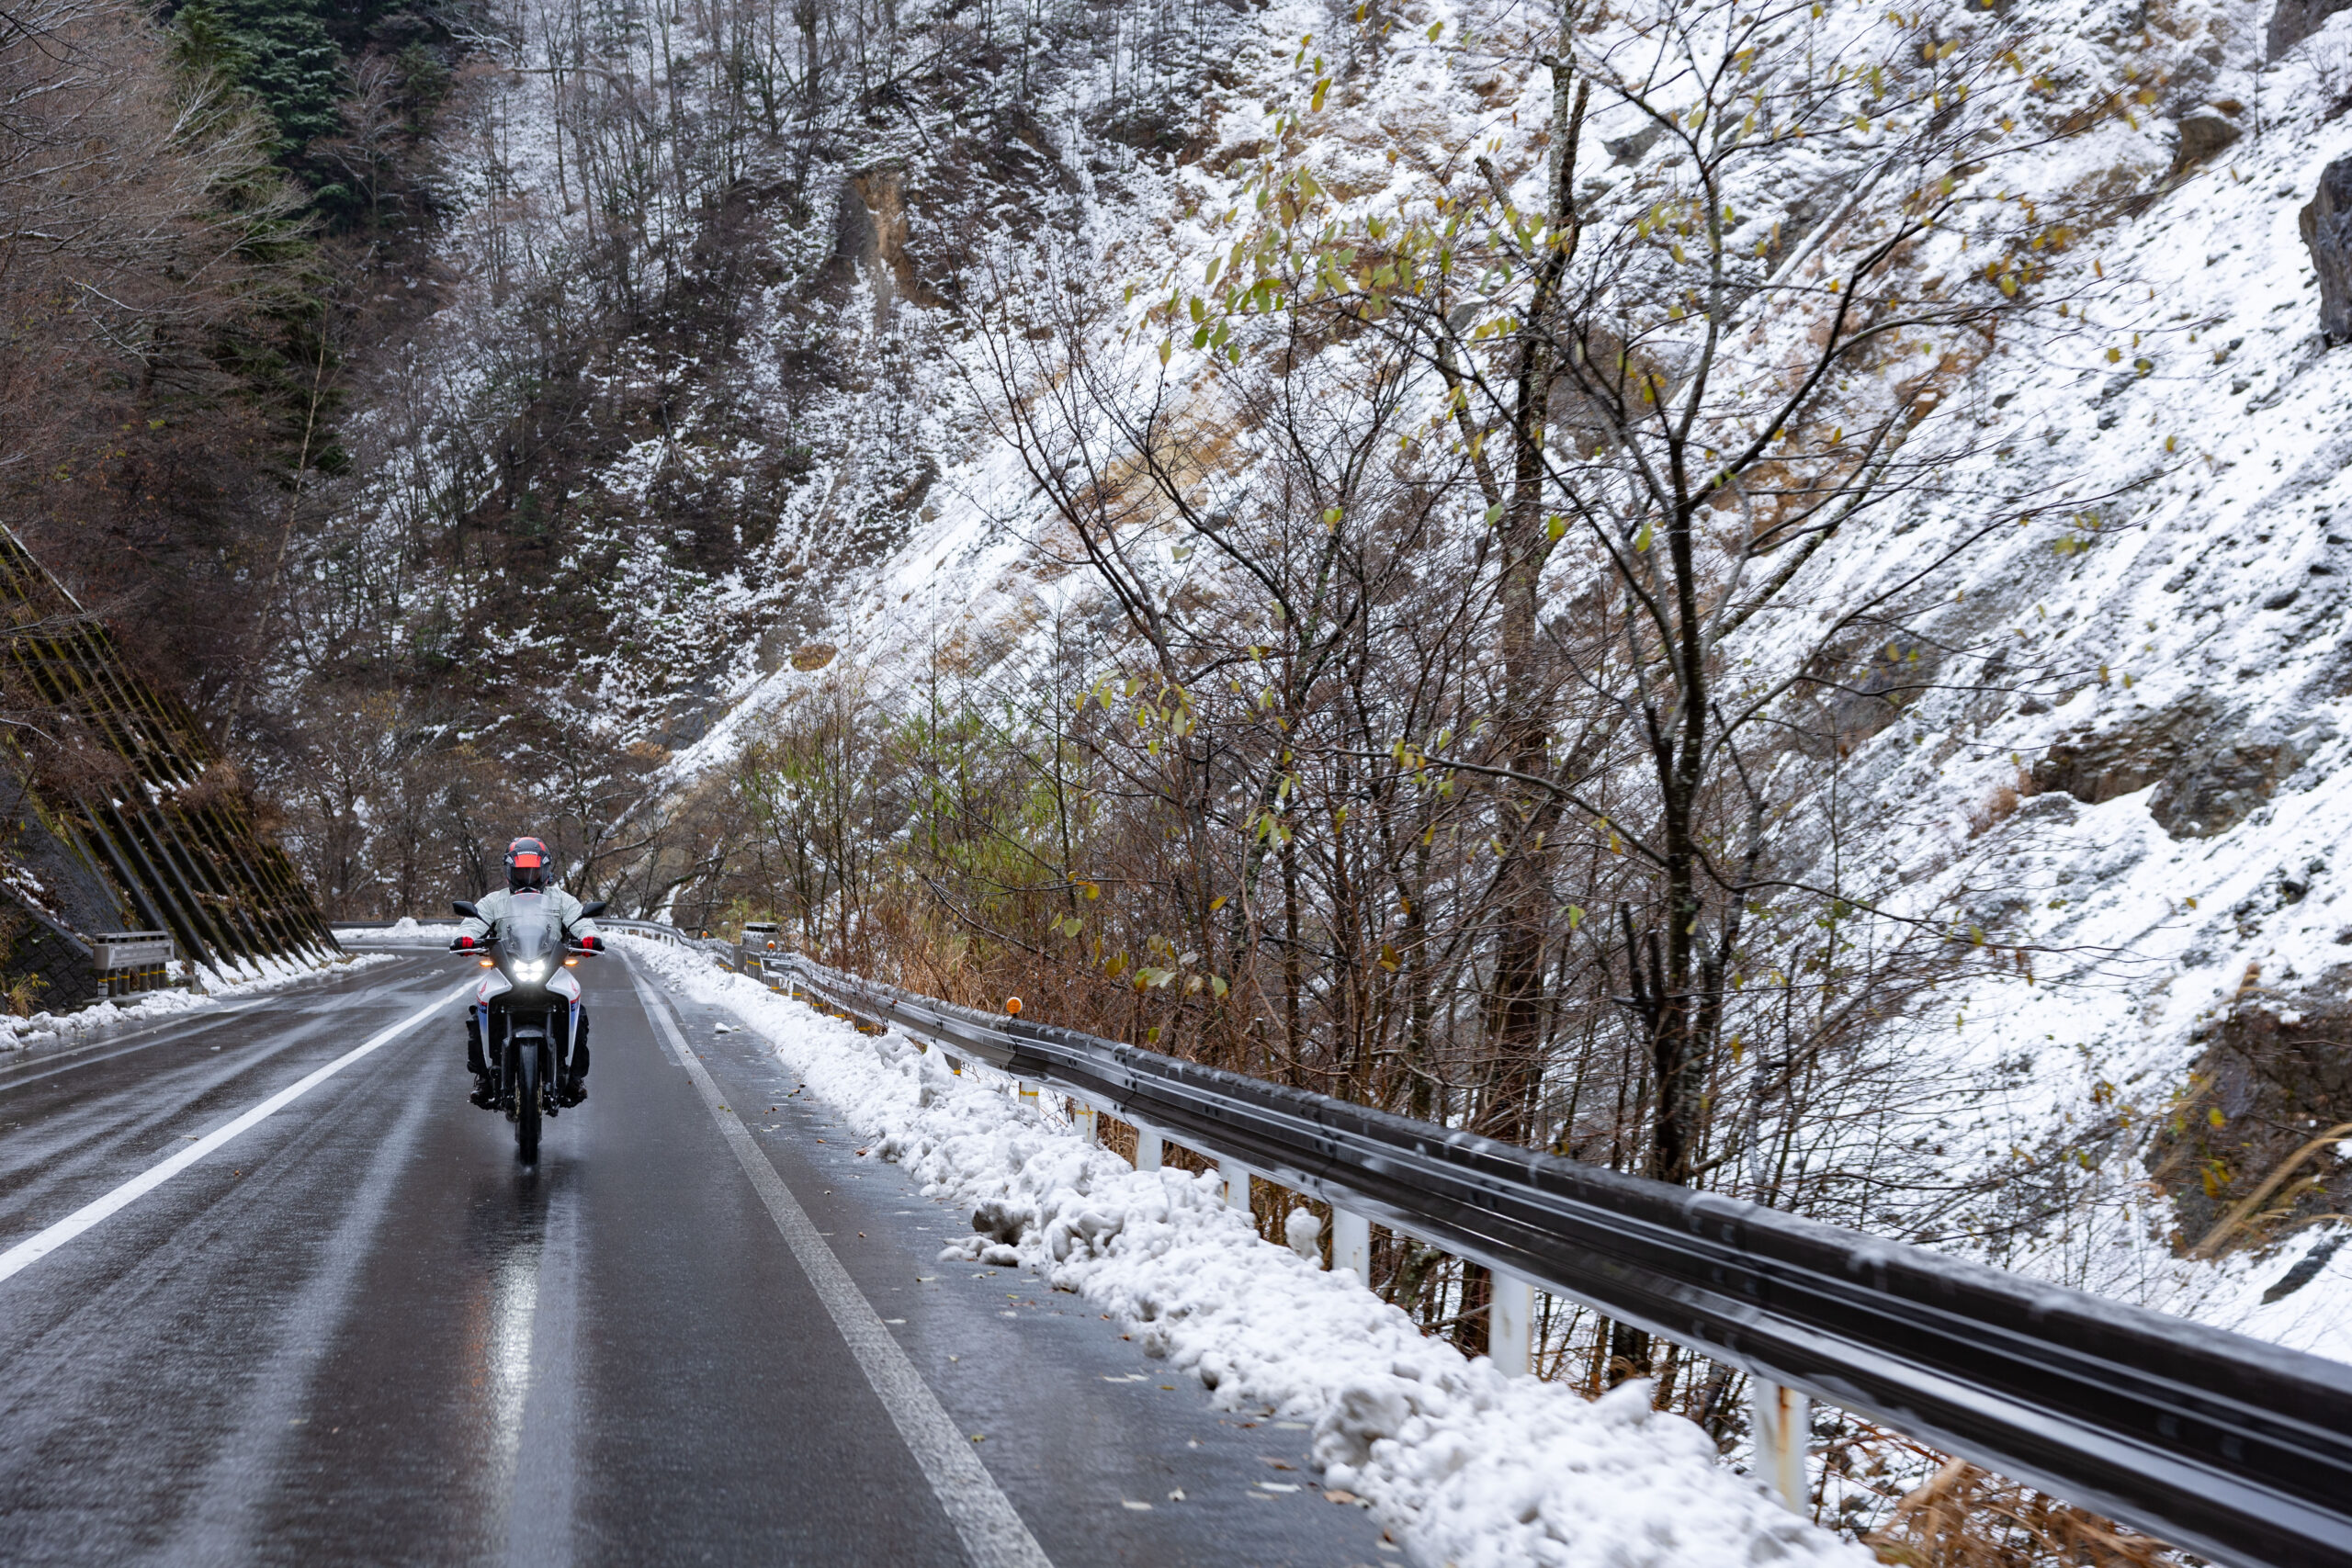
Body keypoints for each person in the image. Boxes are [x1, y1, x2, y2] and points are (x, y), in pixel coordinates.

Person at [454, 837, 603, 1107]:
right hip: (506, 968)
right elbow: (472, 923)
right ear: (510, 871)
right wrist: (464, 938)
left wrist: (591, 937)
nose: (528, 876)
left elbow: (582, 921)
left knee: (577, 1011)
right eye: (521, 871)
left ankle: (574, 1078)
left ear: (545, 870)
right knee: (479, 1010)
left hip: (551, 968)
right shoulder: (495, 901)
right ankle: (483, 1077)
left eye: (533, 871)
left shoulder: (560, 900)